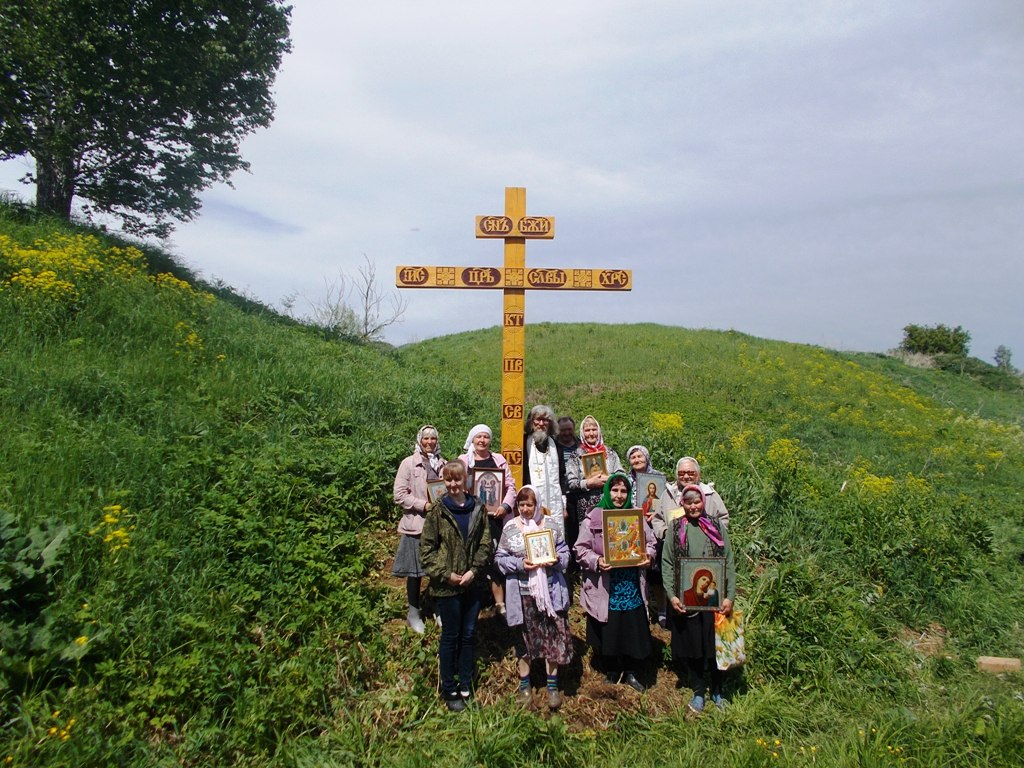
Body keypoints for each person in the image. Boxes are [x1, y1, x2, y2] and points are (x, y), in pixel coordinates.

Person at [420, 460, 493, 712]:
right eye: (448, 480)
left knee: (469, 634)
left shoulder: (478, 509)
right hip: (447, 586)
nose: (452, 485)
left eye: (457, 479)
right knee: (451, 635)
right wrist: (447, 574)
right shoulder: (437, 512)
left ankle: (466, 684)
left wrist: (474, 571)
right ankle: (449, 688)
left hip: (472, 585)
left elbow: (486, 544)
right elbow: (427, 551)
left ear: (466, 481)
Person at [574, 473, 655, 692]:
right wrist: (597, 561)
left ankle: (631, 671)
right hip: (605, 584)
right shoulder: (594, 518)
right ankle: (612, 669)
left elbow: (651, 542)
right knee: (609, 627)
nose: (619, 496)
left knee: (630, 626)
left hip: (630, 583)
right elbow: (581, 549)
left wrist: (648, 555)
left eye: (624, 491)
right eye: (615, 490)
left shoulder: (635, 516)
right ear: (607, 491)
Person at [495, 485, 573, 710]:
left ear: (537, 504)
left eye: (530, 504)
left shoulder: (550, 525)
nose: (525, 509)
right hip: (522, 593)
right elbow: (499, 558)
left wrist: (556, 560)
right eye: (521, 505)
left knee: (551, 639)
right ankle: (525, 687)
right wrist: (520, 564)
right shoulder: (510, 527)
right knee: (523, 641)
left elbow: (565, 552)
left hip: (549, 593)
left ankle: (552, 688)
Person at [661, 483, 736, 714]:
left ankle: (718, 690)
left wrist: (729, 597)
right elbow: (667, 563)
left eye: (697, 502)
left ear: (703, 502)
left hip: (715, 601)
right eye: (688, 502)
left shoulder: (715, 526)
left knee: (716, 648)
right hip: (687, 601)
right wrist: (672, 596)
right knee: (693, 648)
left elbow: (729, 562)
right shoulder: (675, 529)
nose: (693, 506)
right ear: (681, 504)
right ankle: (698, 691)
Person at [392, 425, 446, 634]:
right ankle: (413, 612)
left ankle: (437, 608)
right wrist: (423, 505)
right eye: (426, 439)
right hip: (416, 525)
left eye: (433, 438)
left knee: (438, 570)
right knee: (415, 572)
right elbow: (399, 495)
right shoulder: (408, 464)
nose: (430, 442)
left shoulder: (442, 464)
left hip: (438, 527)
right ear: (419, 441)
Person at [458, 424, 516, 617]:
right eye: (478, 437)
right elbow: (458, 487)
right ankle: (471, 600)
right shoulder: (464, 460)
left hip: (497, 518)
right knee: (472, 556)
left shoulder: (498, 459)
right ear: (472, 439)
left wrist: (505, 507)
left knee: (497, 557)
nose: (482, 440)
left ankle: (500, 603)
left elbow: (510, 487)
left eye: (486, 437)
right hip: (472, 517)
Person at [626, 444, 670, 628]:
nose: (637, 460)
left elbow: (666, 501)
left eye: (639, 456)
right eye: (633, 457)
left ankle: (662, 609)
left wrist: (656, 512)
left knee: (656, 571)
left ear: (646, 457)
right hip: (634, 529)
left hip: (654, 528)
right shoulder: (626, 480)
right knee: (637, 568)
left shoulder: (658, 478)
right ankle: (642, 608)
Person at [565, 415, 623, 531]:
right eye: (587, 430)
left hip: (611, 503)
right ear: (582, 433)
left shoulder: (610, 453)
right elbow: (570, 483)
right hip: (587, 508)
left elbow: (621, 475)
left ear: (599, 431)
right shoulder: (576, 455)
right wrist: (589, 483)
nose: (591, 433)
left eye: (594, 429)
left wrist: (610, 479)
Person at [522, 405, 568, 539]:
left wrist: (563, 505)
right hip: (530, 501)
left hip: (555, 502)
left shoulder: (556, 445)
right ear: (531, 421)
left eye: (545, 420)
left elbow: (561, 475)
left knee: (555, 536)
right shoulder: (523, 443)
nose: (541, 424)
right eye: (538, 419)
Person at [665, 457, 730, 530]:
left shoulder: (710, 494)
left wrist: (712, 534)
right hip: (673, 539)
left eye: (690, 473)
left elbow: (723, 518)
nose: (686, 476)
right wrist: (665, 533)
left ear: (698, 475)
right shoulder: (668, 493)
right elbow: (657, 519)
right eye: (681, 473)